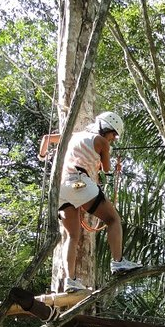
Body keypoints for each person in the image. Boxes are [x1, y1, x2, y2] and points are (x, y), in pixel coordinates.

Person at [39, 112, 142, 293]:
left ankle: (70, 280)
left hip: (60, 188)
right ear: (105, 128)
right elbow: (107, 170)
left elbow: (47, 138)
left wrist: (42, 156)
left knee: (72, 236)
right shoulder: (101, 142)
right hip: (78, 182)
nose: (113, 139)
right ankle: (118, 262)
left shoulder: (73, 135)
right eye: (113, 134)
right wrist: (113, 167)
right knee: (113, 219)